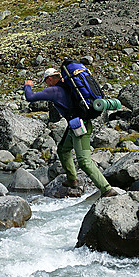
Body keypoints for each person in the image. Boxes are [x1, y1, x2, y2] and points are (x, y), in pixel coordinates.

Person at [24, 68, 117, 197]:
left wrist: (27, 86)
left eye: (46, 81)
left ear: (49, 79)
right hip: (77, 124)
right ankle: (72, 179)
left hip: (80, 127)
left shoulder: (54, 90)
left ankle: (107, 189)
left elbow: (30, 97)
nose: (46, 84)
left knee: (84, 161)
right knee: (62, 149)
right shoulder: (68, 86)